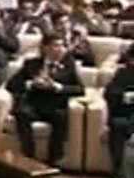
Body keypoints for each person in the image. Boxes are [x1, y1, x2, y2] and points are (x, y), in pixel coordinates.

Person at [5, 32, 84, 165]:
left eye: (62, 46)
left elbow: (80, 89)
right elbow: (11, 85)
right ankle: (28, 156)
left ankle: (53, 160)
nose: (60, 49)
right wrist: (31, 83)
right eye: (55, 46)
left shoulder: (69, 66)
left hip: (55, 105)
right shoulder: (31, 64)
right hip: (34, 104)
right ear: (45, 48)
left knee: (61, 118)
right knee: (21, 113)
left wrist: (57, 87)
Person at [103, 45, 134, 178]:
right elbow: (109, 94)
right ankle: (116, 172)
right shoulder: (123, 73)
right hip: (126, 114)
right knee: (117, 125)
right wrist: (125, 97)